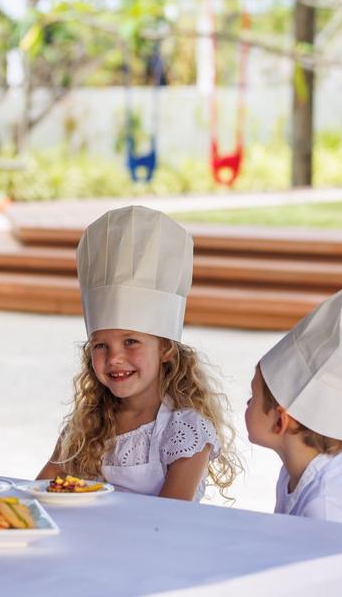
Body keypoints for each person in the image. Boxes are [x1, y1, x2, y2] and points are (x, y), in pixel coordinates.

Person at [37, 206, 238, 501]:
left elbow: (170, 516)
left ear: (166, 348)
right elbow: (42, 489)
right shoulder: (87, 425)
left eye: (130, 341)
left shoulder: (185, 430)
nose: (114, 357)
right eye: (101, 345)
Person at [245, 276, 342, 548]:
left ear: (281, 421)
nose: (246, 405)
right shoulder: (299, 471)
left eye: (253, 397)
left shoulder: (327, 507)